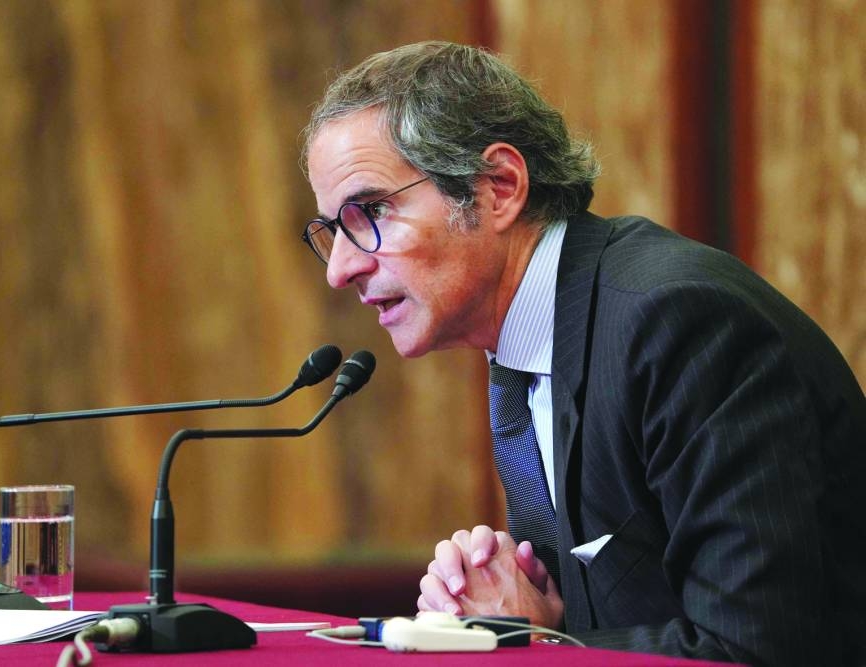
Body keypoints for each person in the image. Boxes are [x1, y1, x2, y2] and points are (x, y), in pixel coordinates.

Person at [299, 41, 866, 665]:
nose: (342, 268)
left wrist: (529, 649)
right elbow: (626, 610)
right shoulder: (524, 347)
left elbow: (756, 648)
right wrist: (520, 609)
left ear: (497, 188)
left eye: (371, 211)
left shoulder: (677, 323)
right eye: (332, 231)